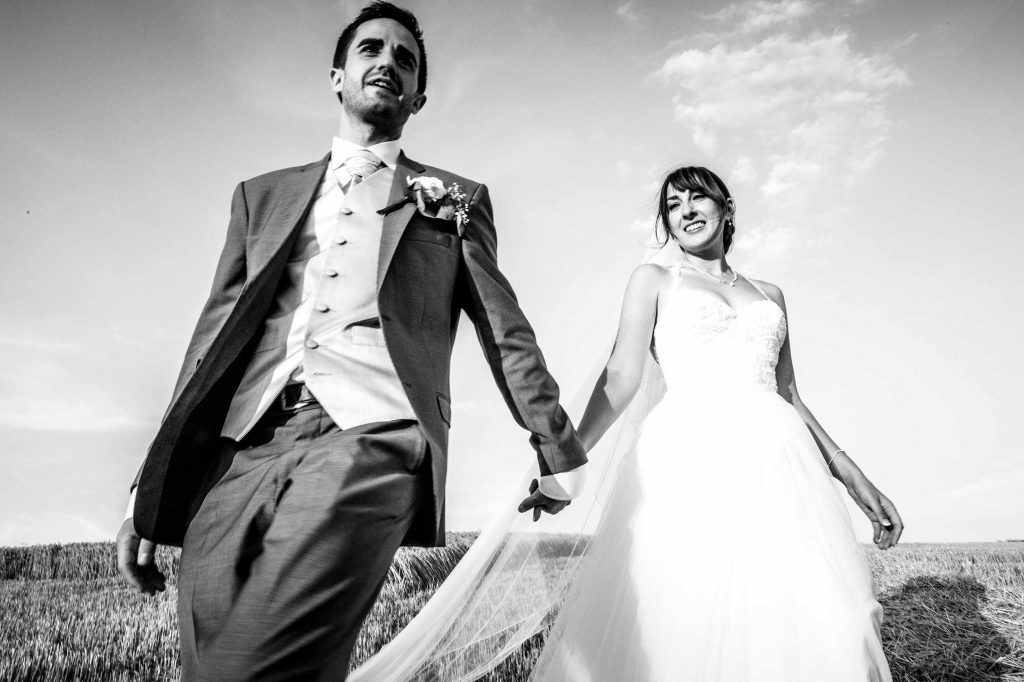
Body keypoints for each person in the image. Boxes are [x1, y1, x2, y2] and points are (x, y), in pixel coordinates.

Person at [113, 3, 586, 679]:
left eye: (405, 59)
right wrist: (146, 487)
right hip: (237, 452)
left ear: (418, 96)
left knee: (252, 665)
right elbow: (209, 340)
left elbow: (503, 326)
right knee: (211, 659)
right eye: (371, 50)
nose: (387, 63)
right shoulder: (260, 196)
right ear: (337, 76)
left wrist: (555, 444)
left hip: (371, 437)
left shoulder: (455, 197)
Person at [526, 165, 903, 680]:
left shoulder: (771, 295)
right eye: (673, 204)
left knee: (836, 616)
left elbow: (788, 393)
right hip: (689, 459)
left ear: (726, 207)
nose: (685, 210)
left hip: (781, 467)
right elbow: (620, 376)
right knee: (689, 620)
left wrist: (852, 475)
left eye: (697, 198)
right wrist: (566, 462)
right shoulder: (653, 280)